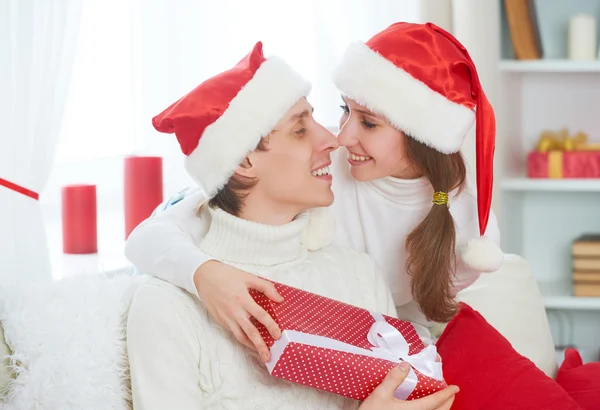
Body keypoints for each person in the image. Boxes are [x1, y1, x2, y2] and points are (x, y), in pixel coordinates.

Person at [124, 21, 503, 359]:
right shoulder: (321, 172)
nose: (342, 136)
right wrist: (204, 274)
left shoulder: (463, 224)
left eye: (369, 123)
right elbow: (151, 235)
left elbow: (409, 332)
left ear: (422, 138)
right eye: (345, 110)